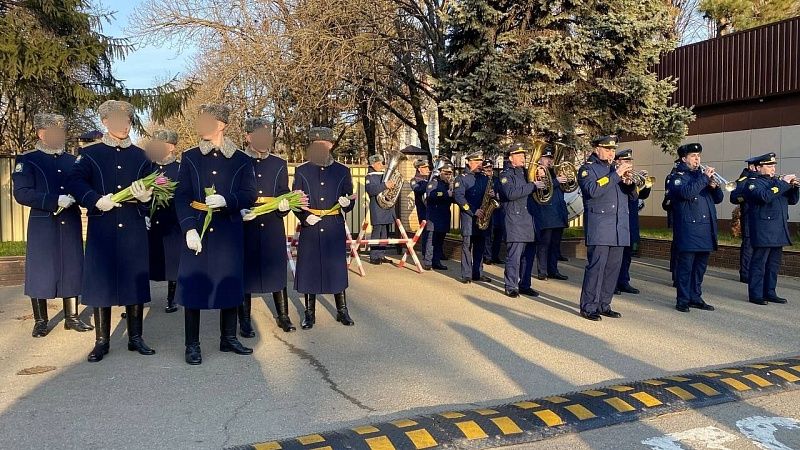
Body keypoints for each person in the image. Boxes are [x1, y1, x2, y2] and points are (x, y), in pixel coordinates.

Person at [69, 100, 156, 361]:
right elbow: (74, 180)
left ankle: (135, 338)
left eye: (128, 121)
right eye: (119, 120)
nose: (125, 125)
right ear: (105, 122)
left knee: (134, 281)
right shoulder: (91, 154)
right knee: (102, 283)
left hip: (132, 225)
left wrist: (146, 199)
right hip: (103, 225)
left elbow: (156, 186)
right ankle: (102, 341)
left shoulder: (141, 156)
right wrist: (94, 199)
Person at [174, 104, 257, 365]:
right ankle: (192, 344)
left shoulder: (242, 159)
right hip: (197, 227)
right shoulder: (189, 156)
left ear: (221, 124)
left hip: (227, 230)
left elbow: (249, 193)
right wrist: (188, 228)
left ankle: (228, 338)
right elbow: (182, 196)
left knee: (229, 283)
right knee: (193, 287)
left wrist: (228, 200)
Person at [13, 113, 92, 337]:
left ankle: (72, 317)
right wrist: (53, 200)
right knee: (41, 270)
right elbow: (22, 193)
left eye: (62, 132)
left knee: (72, 267)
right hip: (43, 223)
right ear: (41, 134)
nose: (60, 136)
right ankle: (40, 320)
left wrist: (82, 196)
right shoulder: (28, 160)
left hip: (70, 222)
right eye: (54, 132)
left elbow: (83, 185)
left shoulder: (72, 160)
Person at [292, 127, 355, 329]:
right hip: (311, 226)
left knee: (336, 269)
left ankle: (342, 310)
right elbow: (296, 200)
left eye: (323, 144)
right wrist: (304, 216)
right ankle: (309, 314)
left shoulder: (342, 171)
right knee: (309, 269)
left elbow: (349, 198)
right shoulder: (302, 170)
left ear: (330, 145)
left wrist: (347, 203)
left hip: (333, 225)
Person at [239, 117, 295, 335]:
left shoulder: (278, 164)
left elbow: (283, 191)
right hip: (247, 224)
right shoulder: (239, 161)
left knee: (276, 270)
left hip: (272, 223)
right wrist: (240, 209)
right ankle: (244, 320)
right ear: (248, 137)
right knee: (245, 271)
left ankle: (283, 315)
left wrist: (283, 207)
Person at [577, 135, 634, 321]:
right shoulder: (588, 169)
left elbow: (633, 197)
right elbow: (592, 190)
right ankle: (588, 306)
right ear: (596, 149)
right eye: (607, 149)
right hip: (601, 227)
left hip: (619, 228)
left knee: (612, 269)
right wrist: (616, 176)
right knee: (596, 268)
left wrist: (629, 183)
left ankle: (604, 304)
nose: (611, 153)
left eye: (613, 150)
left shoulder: (614, 170)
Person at [671, 143, 722, 313]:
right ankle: (683, 300)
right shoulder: (678, 176)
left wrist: (714, 186)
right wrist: (704, 179)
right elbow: (686, 193)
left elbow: (718, 199)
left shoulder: (701, 177)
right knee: (686, 268)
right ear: (684, 159)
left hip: (705, 229)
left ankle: (696, 297)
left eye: (698, 156)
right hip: (688, 229)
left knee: (700, 268)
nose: (697, 159)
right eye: (693, 156)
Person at [744, 152, 799, 305]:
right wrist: (783, 184)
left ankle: (770, 292)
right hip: (763, 229)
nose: (773, 168)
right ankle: (756, 294)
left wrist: (793, 187)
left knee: (773, 264)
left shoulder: (776, 182)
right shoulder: (753, 182)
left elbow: (792, 201)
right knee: (759, 263)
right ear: (758, 167)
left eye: (774, 165)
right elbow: (765, 197)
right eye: (769, 165)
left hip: (778, 229)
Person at [146, 129, 182, 313]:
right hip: (150, 221)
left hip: (172, 222)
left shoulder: (180, 169)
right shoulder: (149, 167)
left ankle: (172, 298)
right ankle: (137, 300)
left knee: (172, 262)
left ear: (172, 147)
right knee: (144, 262)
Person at [499, 143, 540, 297]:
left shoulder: (526, 173)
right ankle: (511, 286)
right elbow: (510, 194)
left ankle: (525, 284)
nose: (523, 158)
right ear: (511, 158)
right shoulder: (505, 175)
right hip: (514, 219)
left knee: (528, 257)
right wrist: (533, 186)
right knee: (514, 256)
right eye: (519, 155)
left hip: (529, 219)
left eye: (524, 155)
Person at [614, 148, 650, 295]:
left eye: (630, 161)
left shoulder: (631, 177)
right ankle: (614, 282)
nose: (629, 164)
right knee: (616, 255)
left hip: (631, 220)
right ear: (618, 162)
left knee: (628, 254)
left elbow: (642, 195)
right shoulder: (614, 176)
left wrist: (645, 183)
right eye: (625, 161)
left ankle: (624, 281)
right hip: (618, 220)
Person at [453, 151, 492, 284]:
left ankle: (478, 273)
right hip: (469, 218)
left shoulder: (484, 178)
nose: (479, 165)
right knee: (467, 246)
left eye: (480, 162)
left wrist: (493, 194)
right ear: (468, 162)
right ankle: (466, 274)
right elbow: (459, 197)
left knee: (480, 247)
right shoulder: (461, 178)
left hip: (482, 217)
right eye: (476, 162)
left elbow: (488, 196)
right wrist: (473, 211)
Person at [531, 146, 569, 281]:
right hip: (546, 212)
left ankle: (553, 270)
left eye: (550, 158)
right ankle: (542, 271)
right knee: (544, 244)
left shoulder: (554, 172)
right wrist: (556, 181)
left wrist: (566, 180)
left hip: (558, 212)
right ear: (540, 159)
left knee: (555, 244)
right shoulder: (536, 172)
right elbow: (542, 189)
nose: (549, 161)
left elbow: (565, 189)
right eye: (546, 158)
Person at [365, 154, 397, 265]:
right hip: (377, 207)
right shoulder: (369, 176)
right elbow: (371, 190)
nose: (381, 165)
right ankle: (374, 256)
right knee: (377, 232)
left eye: (382, 163)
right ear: (372, 164)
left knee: (385, 233)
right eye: (378, 163)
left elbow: (390, 188)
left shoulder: (384, 175)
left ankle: (381, 254)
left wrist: (392, 186)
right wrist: (385, 185)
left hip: (387, 207)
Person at [730, 157, 758, 283]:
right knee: (748, 245)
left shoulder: (761, 179)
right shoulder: (742, 181)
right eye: (757, 166)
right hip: (748, 216)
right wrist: (746, 196)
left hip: (760, 218)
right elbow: (734, 198)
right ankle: (745, 273)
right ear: (751, 167)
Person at [422, 162, 454, 271]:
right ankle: (428, 262)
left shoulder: (448, 184)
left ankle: (436, 261)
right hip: (434, 216)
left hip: (444, 215)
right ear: (440, 172)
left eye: (450, 173)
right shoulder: (434, 182)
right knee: (431, 240)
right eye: (446, 173)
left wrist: (453, 192)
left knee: (440, 241)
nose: (448, 176)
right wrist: (446, 194)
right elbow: (431, 195)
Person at [482, 160, 505, 265]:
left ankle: (495, 256)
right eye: (486, 168)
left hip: (497, 210)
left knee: (498, 235)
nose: (489, 169)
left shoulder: (497, 180)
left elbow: (503, 193)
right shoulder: (482, 179)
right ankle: (487, 256)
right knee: (488, 235)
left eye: (490, 167)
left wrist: (495, 195)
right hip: (488, 210)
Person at [662, 159, 680, 287]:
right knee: (678, 245)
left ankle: (675, 269)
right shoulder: (672, 177)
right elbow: (668, 198)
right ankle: (675, 270)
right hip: (676, 213)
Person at [410, 159, 430, 260]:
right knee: (425, 231)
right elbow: (418, 189)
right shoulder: (414, 180)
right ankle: (425, 252)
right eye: (425, 167)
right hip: (422, 209)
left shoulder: (428, 179)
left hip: (431, 209)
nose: (428, 169)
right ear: (419, 169)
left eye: (427, 167)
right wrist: (428, 183)